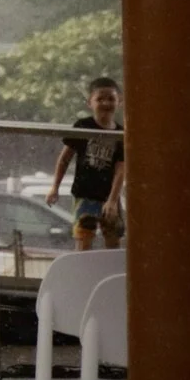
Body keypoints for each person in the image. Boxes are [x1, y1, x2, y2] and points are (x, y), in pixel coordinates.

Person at [47, 76, 127, 250]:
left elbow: (121, 170)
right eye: (100, 98)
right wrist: (55, 187)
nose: (106, 103)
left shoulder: (120, 133)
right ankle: (82, 273)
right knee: (83, 238)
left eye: (111, 98)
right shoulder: (83, 126)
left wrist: (113, 200)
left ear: (119, 102)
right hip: (85, 194)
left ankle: (109, 273)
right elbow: (65, 158)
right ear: (89, 102)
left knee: (113, 238)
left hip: (108, 196)